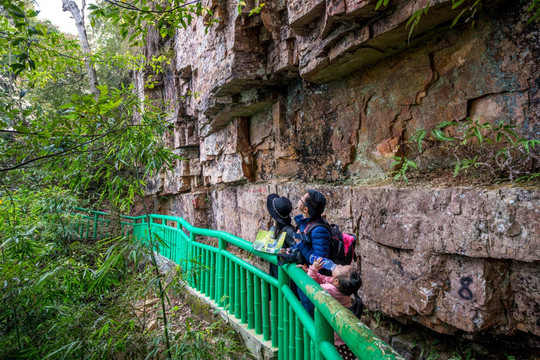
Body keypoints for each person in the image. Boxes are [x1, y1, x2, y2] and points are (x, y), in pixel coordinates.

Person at [302, 258, 361, 360]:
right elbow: (324, 279)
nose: (338, 264)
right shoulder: (343, 288)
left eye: (341, 267)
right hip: (343, 333)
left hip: (336, 338)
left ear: (337, 281)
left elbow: (312, 287)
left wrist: (313, 269)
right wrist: (310, 272)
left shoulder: (331, 290)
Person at [287, 189, 332, 316]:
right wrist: (290, 250)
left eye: (302, 198)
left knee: (311, 317)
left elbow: (320, 261)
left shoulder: (319, 230)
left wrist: (299, 243)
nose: (299, 198)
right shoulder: (308, 222)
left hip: (314, 283)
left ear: (306, 209)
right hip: (307, 276)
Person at [266, 193, 295, 278]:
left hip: (284, 272)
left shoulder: (288, 231)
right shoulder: (277, 226)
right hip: (276, 267)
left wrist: (286, 251)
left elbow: (298, 248)